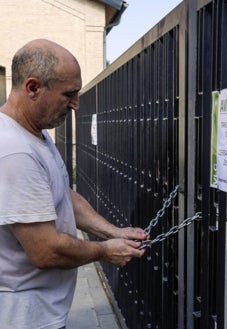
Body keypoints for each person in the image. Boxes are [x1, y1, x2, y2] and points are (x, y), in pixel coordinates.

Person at [0, 39, 148, 329]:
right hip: (24, 316)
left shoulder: (35, 134)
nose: (76, 104)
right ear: (33, 88)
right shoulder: (14, 150)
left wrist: (114, 232)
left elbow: (62, 195)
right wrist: (105, 250)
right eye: (69, 94)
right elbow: (46, 251)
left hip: (41, 308)